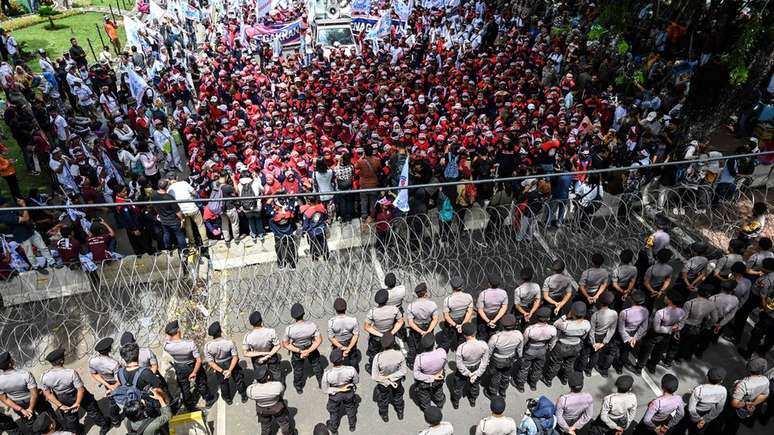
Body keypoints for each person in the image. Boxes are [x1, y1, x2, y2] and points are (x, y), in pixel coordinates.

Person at [40, 348, 112, 434]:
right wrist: (77, 403)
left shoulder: (44, 376)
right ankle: (103, 424)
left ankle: (77, 432)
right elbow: (80, 389)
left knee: (70, 417)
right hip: (76, 393)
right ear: (62, 361)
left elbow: (47, 393)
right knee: (92, 409)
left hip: (62, 397)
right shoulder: (71, 373)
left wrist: (60, 406)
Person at [163, 320, 217, 412]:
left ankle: (190, 407)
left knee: (185, 388)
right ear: (179, 330)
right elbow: (198, 360)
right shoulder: (189, 344)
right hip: (192, 365)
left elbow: (167, 339)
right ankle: (209, 400)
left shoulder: (167, 346)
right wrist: (194, 372)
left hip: (179, 367)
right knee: (201, 382)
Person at [633, 289, 686, 373]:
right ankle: (652, 367)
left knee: (646, 351)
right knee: (659, 351)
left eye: (666, 297)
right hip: (668, 335)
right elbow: (681, 325)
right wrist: (673, 328)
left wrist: (669, 328)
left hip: (655, 334)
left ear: (670, 300)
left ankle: (639, 367)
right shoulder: (682, 312)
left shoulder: (660, 313)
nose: (664, 298)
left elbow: (656, 328)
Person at [0, 351, 52, 434]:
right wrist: (30, 408)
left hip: (17, 403)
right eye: (11, 359)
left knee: (29, 421)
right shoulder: (25, 374)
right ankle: (52, 429)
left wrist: (21, 410)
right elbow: (34, 394)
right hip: (32, 400)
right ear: (10, 364)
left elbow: (4, 399)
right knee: (45, 413)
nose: (13, 360)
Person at [0, 196, 55, 273]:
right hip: (22, 236)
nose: (7, 204)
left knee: (43, 247)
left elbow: (23, 213)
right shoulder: (3, 216)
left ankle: (52, 263)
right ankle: (37, 267)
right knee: (30, 253)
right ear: (2, 205)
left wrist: (21, 207)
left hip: (30, 230)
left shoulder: (9, 210)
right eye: (5, 203)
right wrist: (24, 205)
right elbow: (26, 218)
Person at [544, 301, 590, 387]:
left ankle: (548, 379)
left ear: (572, 312)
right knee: (569, 364)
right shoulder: (587, 324)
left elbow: (555, 324)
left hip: (562, 346)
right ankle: (565, 379)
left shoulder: (566, 325)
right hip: (576, 346)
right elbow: (584, 336)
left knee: (555, 364)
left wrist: (565, 316)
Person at [282, 303, 323, 394]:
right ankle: (321, 382)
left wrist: (300, 351)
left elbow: (285, 344)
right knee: (317, 366)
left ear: (293, 316)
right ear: (303, 313)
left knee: (298, 370)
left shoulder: (289, 329)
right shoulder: (312, 325)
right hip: (310, 348)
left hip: (297, 350)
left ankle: (299, 387)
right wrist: (308, 351)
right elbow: (318, 340)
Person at [204, 321, 247, 405]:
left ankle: (228, 399)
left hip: (219, 365)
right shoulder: (229, 342)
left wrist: (222, 371)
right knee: (238, 380)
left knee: (223, 383)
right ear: (220, 331)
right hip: (231, 362)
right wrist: (230, 370)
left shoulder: (208, 346)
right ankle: (243, 396)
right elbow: (235, 357)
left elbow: (211, 362)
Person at [515, 306, 557, 392]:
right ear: (548, 318)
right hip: (542, 350)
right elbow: (552, 342)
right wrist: (548, 348)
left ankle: (521, 385)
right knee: (538, 368)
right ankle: (533, 384)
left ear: (537, 317)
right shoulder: (552, 329)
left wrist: (521, 351)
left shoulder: (530, 329)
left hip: (530, 350)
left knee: (524, 368)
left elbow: (524, 342)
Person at [577, 292, 618, 377]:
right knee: (595, 354)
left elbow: (592, 330)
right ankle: (589, 370)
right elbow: (612, 329)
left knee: (585, 353)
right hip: (603, 336)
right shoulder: (614, 314)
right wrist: (604, 342)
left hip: (593, 336)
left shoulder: (596, 314)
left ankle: (580, 369)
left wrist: (593, 342)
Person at [246, 364, 294, 435]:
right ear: (268, 376)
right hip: (277, 408)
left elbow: (251, 393)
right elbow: (282, 392)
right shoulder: (277, 386)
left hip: (262, 410)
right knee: (284, 424)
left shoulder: (250, 390)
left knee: (265, 426)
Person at [740, 258, 774, 358]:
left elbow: (767, 309)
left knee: (757, 334)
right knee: (771, 337)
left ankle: (748, 353)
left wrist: (763, 298)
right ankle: (762, 351)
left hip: (770, 318)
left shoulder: (768, 280)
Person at [364, 289, 404, 373]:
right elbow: (400, 322)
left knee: (373, 353)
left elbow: (367, 327)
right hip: (389, 333)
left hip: (377, 336)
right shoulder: (394, 309)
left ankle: (373, 368)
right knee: (390, 352)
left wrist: (380, 335)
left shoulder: (373, 312)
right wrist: (391, 333)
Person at [451, 322, 490, 409]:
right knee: (475, 386)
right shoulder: (483, 345)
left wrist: (468, 374)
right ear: (475, 332)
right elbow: (485, 361)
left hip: (465, 368)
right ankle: (473, 400)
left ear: (464, 335)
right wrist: (476, 374)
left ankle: (456, 402)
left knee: (458, 386)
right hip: (477, 366)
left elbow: (459, 364)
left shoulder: (461, 347)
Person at [726, 357, 769, 434]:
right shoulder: (765, 381)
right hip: (744, 408)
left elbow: (734, 403)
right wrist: (752, 403)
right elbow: (764, 395)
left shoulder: (744, 384)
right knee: (734, 425)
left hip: (733, 405)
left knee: (721, 421)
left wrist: (744, 403)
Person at [321, 348, 359, 434]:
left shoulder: (327, 374)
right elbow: (356, 381)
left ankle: (334, 430)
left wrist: (338, 389)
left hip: (335, 396)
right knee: (350, 409)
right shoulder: (351, 369)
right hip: (348, 392)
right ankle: (352, 426)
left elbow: (325, 389)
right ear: (342, 358)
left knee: (334, 412)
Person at [680, 367, 727, 435]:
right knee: (695, 431)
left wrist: (697, 418)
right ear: (721, 381)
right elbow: (718, 409)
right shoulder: (723, 391)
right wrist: (705, 419)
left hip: (693, 414)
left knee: (681, 426)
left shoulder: (699, 390)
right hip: (705, 413)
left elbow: (691, 409)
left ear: (707, 377)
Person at [371, 332, 406, 422]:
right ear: (393, 343)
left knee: (383, 399)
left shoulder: (378, 357)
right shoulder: (399, 354)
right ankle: (400, 412)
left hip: (383, 382)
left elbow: (375, 376)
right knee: (398, 396)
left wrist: (386, 378)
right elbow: (403, 371)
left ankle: (385, 415)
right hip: (396, 381)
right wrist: (392, 377)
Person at [487, 313, 523, 398]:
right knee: (506, 376)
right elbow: (519, 349)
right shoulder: (518, 334)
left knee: (496, 377)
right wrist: (519, 357)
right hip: (510, 358)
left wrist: (487, 362)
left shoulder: (496, 337)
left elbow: (489, 352)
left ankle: (492, 393)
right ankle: (503, 392)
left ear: (502, 325)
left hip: (497, 360)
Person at [88, 337, 121, 426]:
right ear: (109, 349)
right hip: (116, 383)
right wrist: (113, 386)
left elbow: (94, 374)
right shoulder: (114, 363)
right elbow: (119, 379)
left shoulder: (92, 361)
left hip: (106, 382)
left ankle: (115, 421)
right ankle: (118, 418)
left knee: (112, 401)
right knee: (118, 400)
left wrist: (107, 385)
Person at [678, 283, 716, 361]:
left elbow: (683, 319)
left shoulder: (690, 303)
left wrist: (678, 329)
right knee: (692, 342)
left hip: (687, 325)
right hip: (698, 325)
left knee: (681, 342)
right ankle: (687, 357)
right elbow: (715, 319)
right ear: (709, 294)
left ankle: (678, 357)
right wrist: (707, 325)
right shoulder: (711, 304)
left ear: (698, 291)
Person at [615, 290, 650, 374]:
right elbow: (643, 327)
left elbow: (621, 328)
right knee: (626, 351)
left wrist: (627, 338)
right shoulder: (645, 311)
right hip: (634, 334)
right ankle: (620, 367)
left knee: (618, 349)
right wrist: (634, 338)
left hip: (624, 334)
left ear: (632, 300)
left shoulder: (625, 312)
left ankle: (616, 365)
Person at [243, 310, 283, 383]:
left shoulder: (248, 337)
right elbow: (277, 346)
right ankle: (278, 389)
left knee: (261, 376)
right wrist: (268, 355)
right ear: (261, 320)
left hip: (258, 358)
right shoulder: (271, 332)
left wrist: (261, 354)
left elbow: (246, 353)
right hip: (271, 355)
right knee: (276, 374)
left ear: (251, 324)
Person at [168, 174, 207, 247]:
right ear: (177, 177)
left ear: (169, 180)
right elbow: (195, 193)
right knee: (200, 225)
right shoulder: (184, 183)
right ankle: (205, 242)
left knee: (188, 227)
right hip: (193, 208)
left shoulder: (169, 189)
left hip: (182, 211)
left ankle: (192, 243)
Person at [406, 283, 440, 368]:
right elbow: (435, 319)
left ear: (416, 294)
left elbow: (410, 323)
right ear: (425, 293)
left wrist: (421, 332)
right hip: (428, 326)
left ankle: (412, 363)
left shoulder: (411, 306)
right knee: (429, 344)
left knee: (414, 345)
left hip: (417, 327)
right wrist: (428, 331)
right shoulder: (432, 304)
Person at [413, 333, 447, 412]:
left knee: (424, 396)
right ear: (434, 343)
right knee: (438, 392)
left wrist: (431, 377)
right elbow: (444, 363)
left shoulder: (419, 358)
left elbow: (416, 374)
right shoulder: (442, 352)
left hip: (424, 381)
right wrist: (439, 371)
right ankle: (440, 405)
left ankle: (427, 410)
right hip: (439, 376)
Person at [151, 179, 187, 252]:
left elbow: (154, 207)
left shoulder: (154, 195)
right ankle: (184, 250)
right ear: (167, 187)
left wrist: (160, 213)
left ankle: (168, 248)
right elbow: (178, 212)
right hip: (174, 221)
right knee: (179, 235)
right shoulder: (169, 198)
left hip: (164, 220)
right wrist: (182, 219)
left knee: (166, 234)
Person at [440, 276, 474, 352]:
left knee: (447, 338)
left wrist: (456, 325)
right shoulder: (468, 297)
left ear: (452, 287)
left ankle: (443, 354)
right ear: (462, 286)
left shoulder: (448, 300)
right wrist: (463, 324)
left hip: (452, 321)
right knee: (462, 338)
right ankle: (460, 351)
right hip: (463, 318)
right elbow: (469, 312)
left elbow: (446, 316)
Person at [328, 298, 361, 372]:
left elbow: (331, 337)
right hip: (350, 341)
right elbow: (356, 335)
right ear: (346, 308)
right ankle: (355, 372)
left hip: (338, 343)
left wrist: (341, 347)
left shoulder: (331, 322)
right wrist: (349, 348)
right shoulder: (353, 320)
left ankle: (340, 374)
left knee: (338, 360)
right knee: (353, 359)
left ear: (335, 309)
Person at [477, 275, 509, 341]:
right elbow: (504, 308)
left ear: (489, 283)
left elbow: (480, 310)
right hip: (497, 315)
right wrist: (494, 320)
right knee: (495, 333)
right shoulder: (503, 293)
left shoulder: (483, 294)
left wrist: (488, 321)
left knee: (482, 333)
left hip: (484, 315)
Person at [300, 196, 329, 261]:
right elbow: (326, 217)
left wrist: (303, 232)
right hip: (321, 230)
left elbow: (306, 225)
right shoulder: (321, 208)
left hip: (312, 232)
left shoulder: (307, 212)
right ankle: (326, 258)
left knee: (313, 246)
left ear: (309, 202)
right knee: (324, 244)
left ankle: (315, 259)